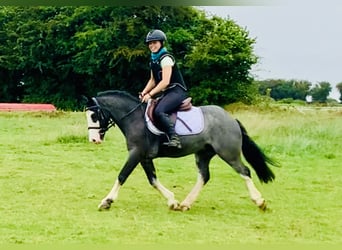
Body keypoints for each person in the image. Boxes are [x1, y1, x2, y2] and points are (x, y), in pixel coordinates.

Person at [140, 29, 188, 149]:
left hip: (177, 91)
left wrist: (150, 94)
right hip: (167, 92)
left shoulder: (166, 58)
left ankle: (174, 138)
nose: (152, 45)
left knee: (159, 111)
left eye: (155, 42)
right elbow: (153, 80)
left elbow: (165, 82)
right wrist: (144, 92)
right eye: (150, 43)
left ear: (161, 43)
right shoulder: (153, 60)